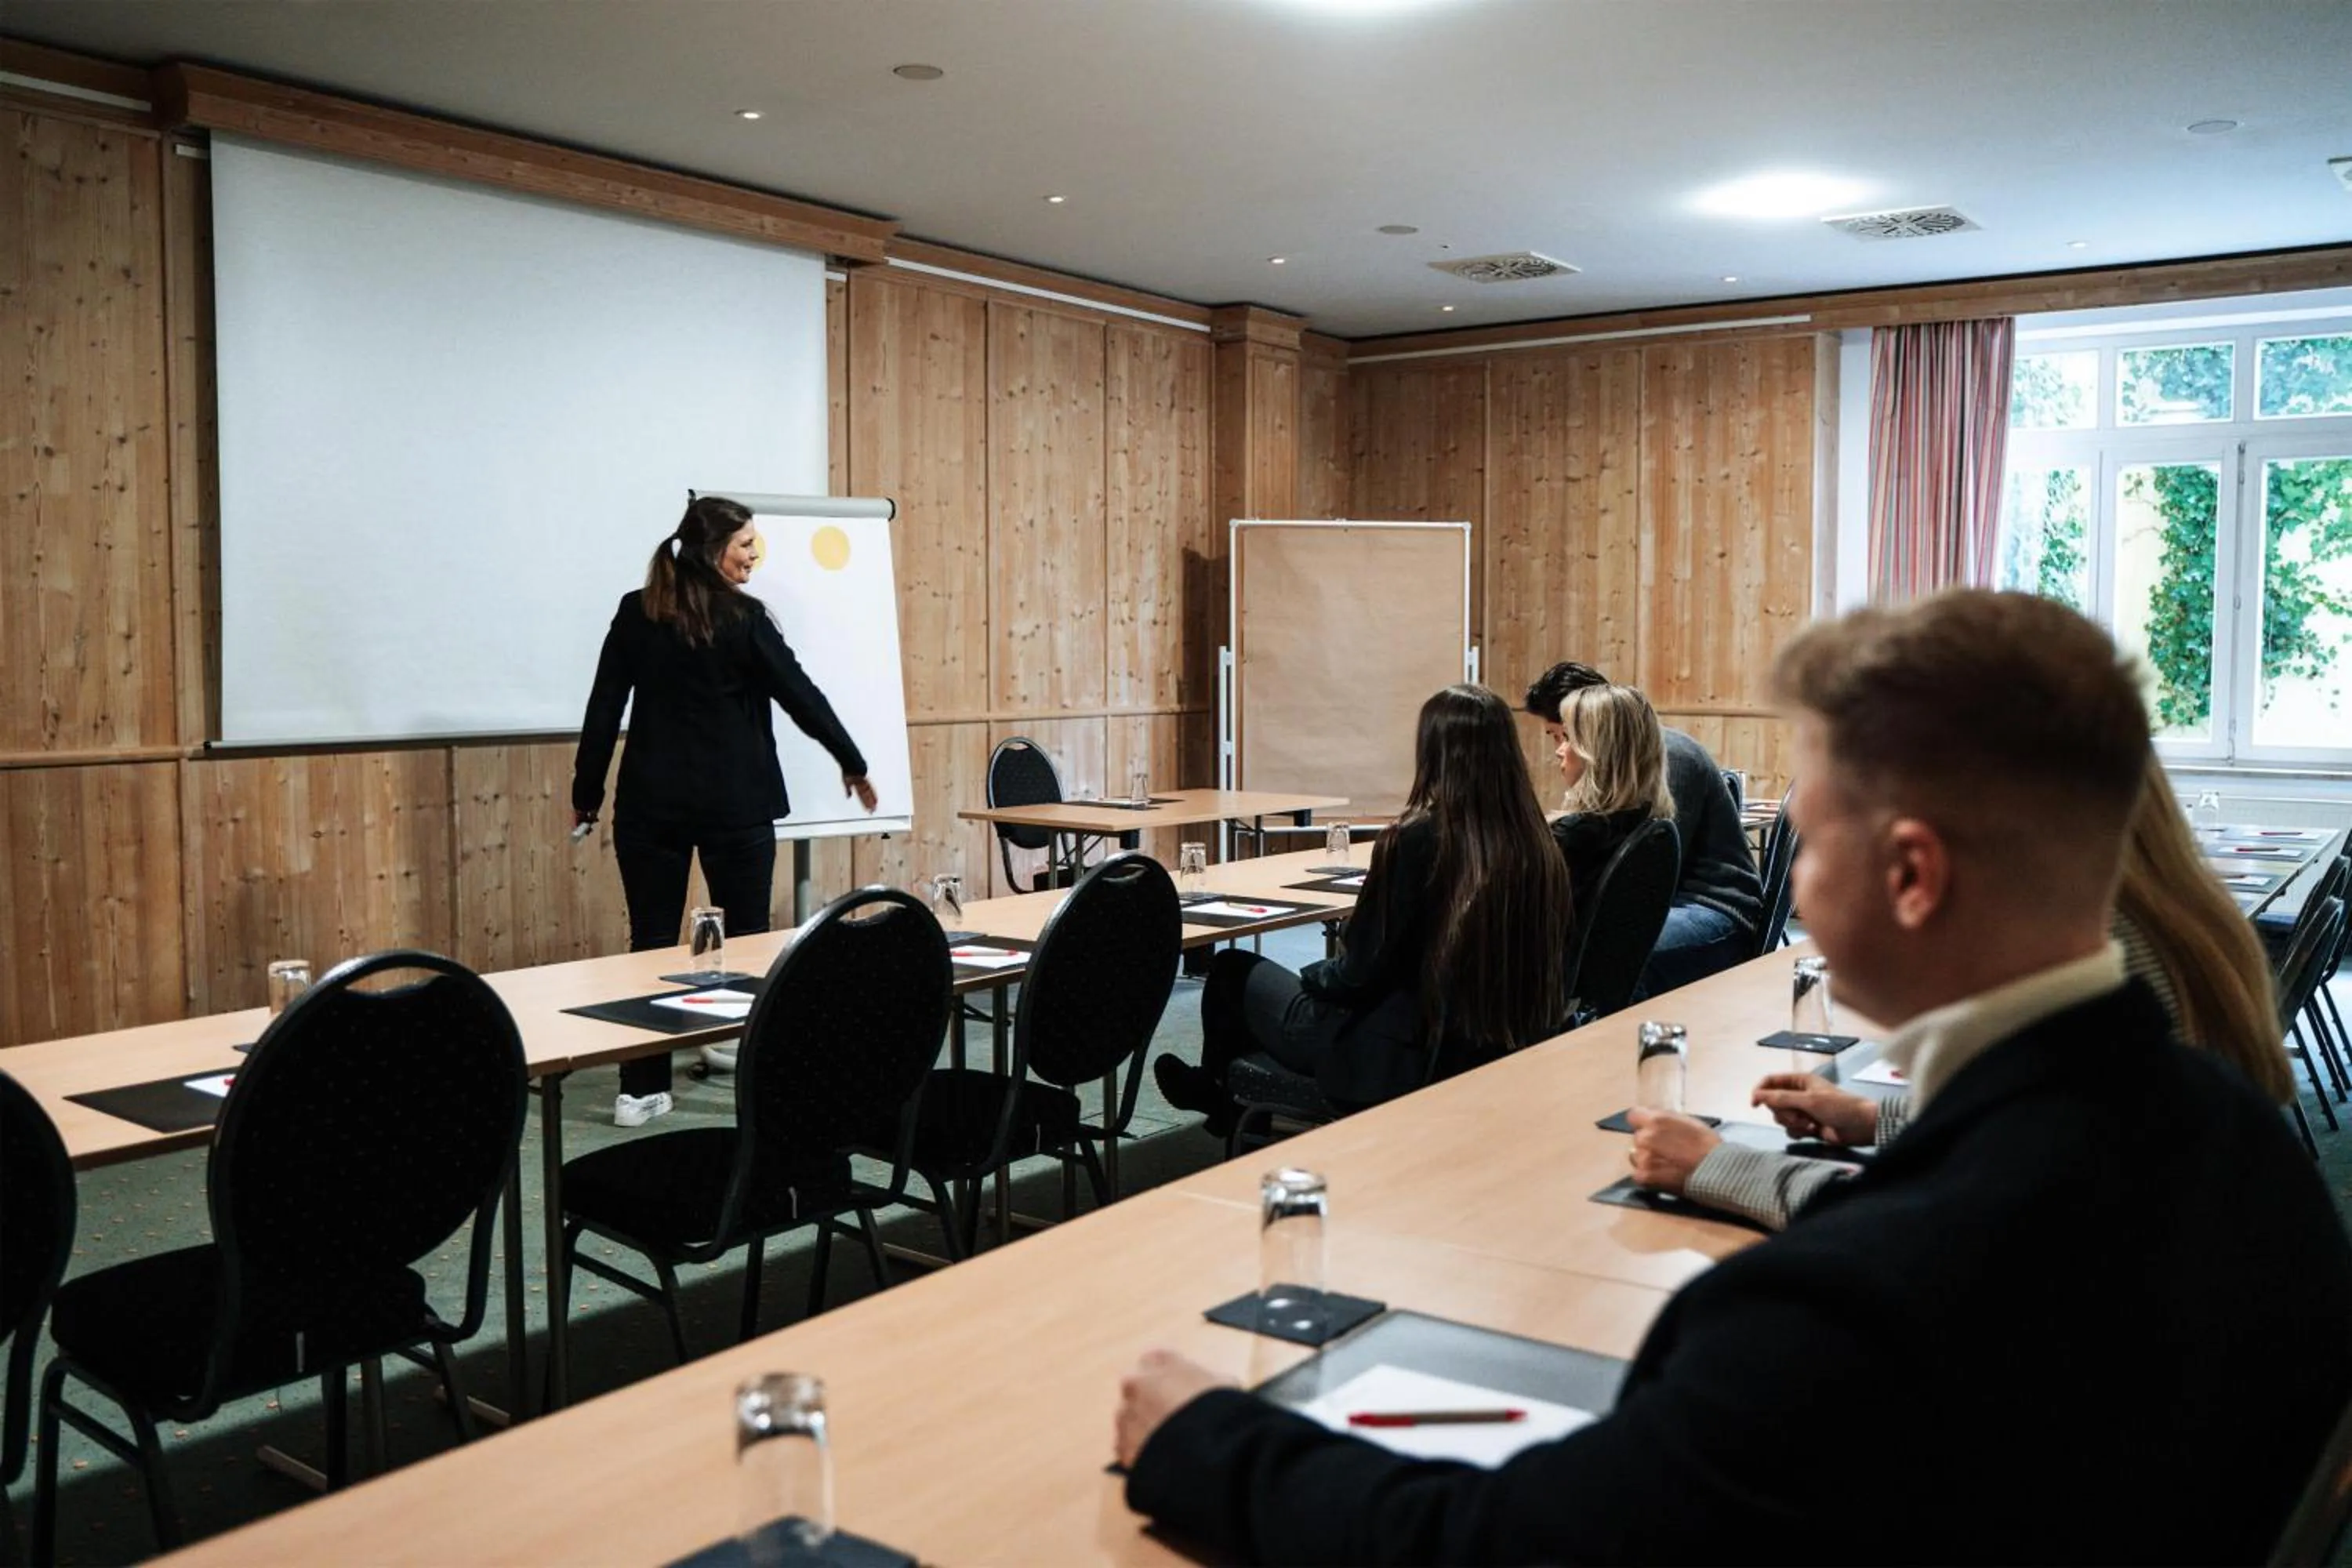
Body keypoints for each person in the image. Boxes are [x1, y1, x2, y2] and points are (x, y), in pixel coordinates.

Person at [1113, 590, 2352, 1564]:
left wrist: (1211, 1439)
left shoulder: (1854, 1303)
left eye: (1808, 843)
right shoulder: (2241, 1145)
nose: (1792, 893)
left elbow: (1516, 1544)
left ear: (1913, 878)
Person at [1632, 750, 2300, 1227]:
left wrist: (1717, 1167)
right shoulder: (2148, 919)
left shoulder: (2095, 973)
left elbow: (1938, 1233)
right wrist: (1876, 1119)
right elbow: (2024, 1145)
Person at [572, 495, 877, 1127]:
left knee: (650, 945)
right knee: (748, 941)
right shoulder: (743, 618)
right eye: (745, 545)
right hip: (734, 806)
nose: (754, 556)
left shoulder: (638, 611)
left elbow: (603, 710)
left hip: (648, 805)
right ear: (715, 551)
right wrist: (851, 759)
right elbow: (800, 695)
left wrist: (587, 795)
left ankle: (642, 1088)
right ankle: (761, 1076)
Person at [1152, 684, 1571, 1132]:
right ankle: (1229, 1108)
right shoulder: (1537, 844)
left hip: (1390, 1051)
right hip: (1481, 1045)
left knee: (1232, 972)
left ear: (1434, 751)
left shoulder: (1416, 840)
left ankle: (1221, 1103)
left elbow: (1359, 973)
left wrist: (1314, 977)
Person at [1525, 662, 1761, 995]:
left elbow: (1653, 869)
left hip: (1711, 907)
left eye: (1564, 735)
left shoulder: (1669, 756)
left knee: (1618, 957)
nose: (1559, 749)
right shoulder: (1624, 760)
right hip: (1668, 902)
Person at [1548, 681, 1677, 923]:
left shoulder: (1572, 837)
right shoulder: (1647, 822)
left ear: (1597, 752)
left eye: (1567, 737)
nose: (1559, 750)